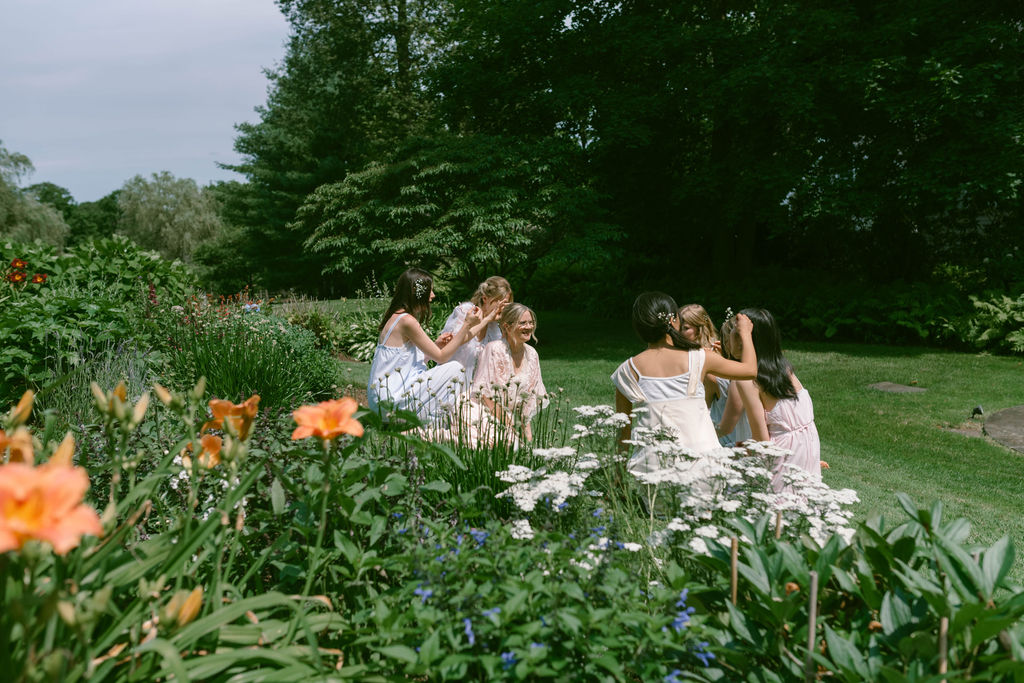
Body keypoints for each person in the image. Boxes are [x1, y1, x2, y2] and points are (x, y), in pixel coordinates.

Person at [611, 292, 757, 474]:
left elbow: (623, 434)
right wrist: (745, 333)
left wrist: (618, 476)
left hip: (654, 471)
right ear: (674, 321)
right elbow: (750, 370)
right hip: (703, 466)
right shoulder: (700, 357)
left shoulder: (626, 372)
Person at [368, 268, 495, 424]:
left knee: (448, 371)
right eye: (430, 291)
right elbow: (442, 357)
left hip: (381, 401)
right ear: (418, 293)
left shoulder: (397, 316)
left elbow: (404, 362)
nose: (433, 295)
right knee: (455, 368)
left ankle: (438, 419)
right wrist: (467, 324)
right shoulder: (407, 321)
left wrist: (486, 319)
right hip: (390, 402)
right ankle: (439, 422)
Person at [737, 308, 821, 491]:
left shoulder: (747, 380)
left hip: (781, 458)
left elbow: (762, 442)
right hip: (808, 447)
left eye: (733, 333)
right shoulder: (784, 368)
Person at [468, 303, 547, 446]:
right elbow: (485, 395)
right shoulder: (494, 349)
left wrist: (526, 433)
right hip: (484, 411)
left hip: (510, 417)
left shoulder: (532, 354)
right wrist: (510, 426)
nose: (528, 327)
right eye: (522, 323)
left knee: (520, 447)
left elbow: (529, 400)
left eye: (531, 322)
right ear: (507, 326)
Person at [439, 276, 512, 382]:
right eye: (500, 302)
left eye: (506, 303)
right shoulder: (466, 312)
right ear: (485, 299)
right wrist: (487, 319)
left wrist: (502, 324)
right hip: (452, 380)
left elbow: (501, 356)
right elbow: (452, 343)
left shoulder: (493, 326)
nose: (503, 307)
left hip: (477, 384)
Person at [713, 315, 755, 446]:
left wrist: (703, 434)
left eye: (727, 340)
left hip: (746, 444)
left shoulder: (739, 380)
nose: (726, 345)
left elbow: (726, 428)